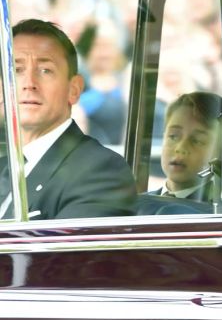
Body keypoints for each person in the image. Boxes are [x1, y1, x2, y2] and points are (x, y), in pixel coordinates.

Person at [0, 19, 135, 220]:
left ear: (74, 89)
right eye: (17, 70)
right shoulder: (7, 163)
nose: (29, 84)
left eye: (45, 70)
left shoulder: (100, 172)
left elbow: (65, 252)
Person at [138, 92, 222, 214]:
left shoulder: (217, 212)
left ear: (220, 152)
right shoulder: (137, 204)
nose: (180, 148)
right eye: (173, 136)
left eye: (197, 141)